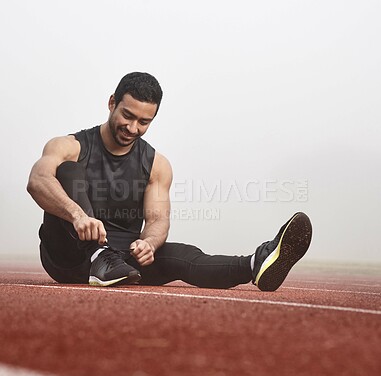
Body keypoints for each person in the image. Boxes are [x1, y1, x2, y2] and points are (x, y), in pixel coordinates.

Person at [27, 72, 312, 291]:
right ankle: (97, 255)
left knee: (182, 255)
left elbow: (157, 220)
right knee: (67, 171)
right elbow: (38, 180)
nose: (133, 127)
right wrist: (77, 216)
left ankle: (256, 263)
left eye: (144, 121)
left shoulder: (156, 164)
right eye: (127, 115)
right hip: (68, 255)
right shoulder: (69, 146)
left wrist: (149, 243)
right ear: (112, 103)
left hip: (121, 265)